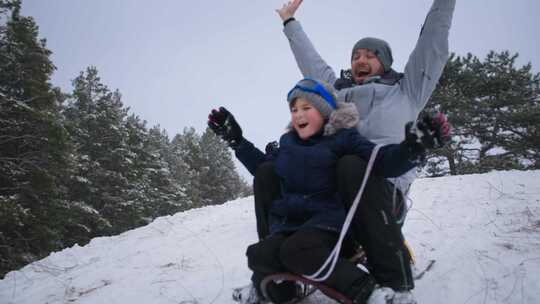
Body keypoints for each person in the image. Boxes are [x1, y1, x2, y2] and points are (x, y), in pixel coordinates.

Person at [234, 0, 453, 302]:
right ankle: (272, 278)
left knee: (351, 163)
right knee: (271, 173)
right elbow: (310, 64)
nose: (359, 60)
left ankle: (394, 286)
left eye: (369, 55)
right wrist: (289, 22)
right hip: (328, 200)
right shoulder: (336, 93)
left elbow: (433, 44)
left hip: (382, 190)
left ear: (385, 62)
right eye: (355, 56)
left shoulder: (407, 90)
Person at [208, 79, 445, 304]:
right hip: (293, 227)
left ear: (325, 111)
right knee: (259, 254)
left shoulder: (344, 139)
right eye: (293, 109)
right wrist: (237, 142)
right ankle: (280, 291)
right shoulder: (289, 143)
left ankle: (370, 292)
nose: (298, 114)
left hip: (332, 229)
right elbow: (263, 167)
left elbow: (382, 161)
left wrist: (412, 149)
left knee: (297, 250)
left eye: (306, 107)